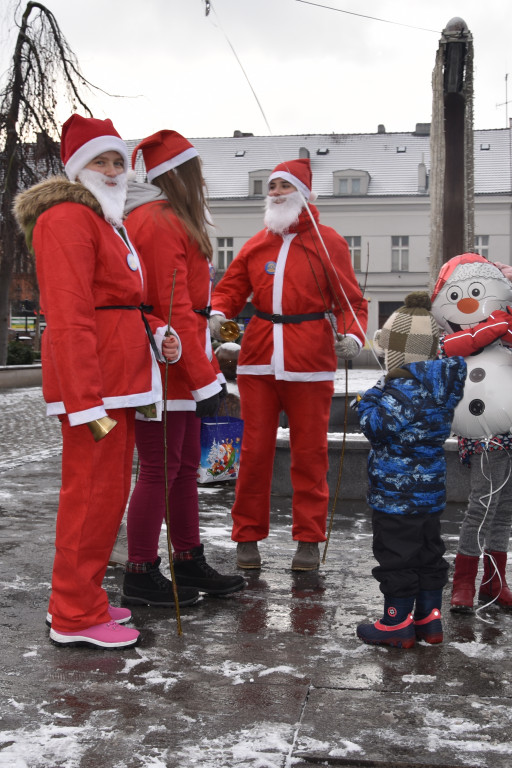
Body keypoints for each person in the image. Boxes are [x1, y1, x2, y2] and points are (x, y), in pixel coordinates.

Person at [13, 115, 180, 649]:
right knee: (89, 497)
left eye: (117, 161)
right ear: (77, 170)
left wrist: (159, 334)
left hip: (121, 379)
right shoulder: (66, 218)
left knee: (105, 496)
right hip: (98, 389)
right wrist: (85, 400)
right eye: (100, 161)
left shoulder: (107, 222)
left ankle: (80, 595)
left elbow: (119, 305)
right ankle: (72, 614)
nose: (112, 170)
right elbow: (69, 315)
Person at [209, 158, 368, 571]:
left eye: (284, 186)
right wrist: (219, 312)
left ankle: (309, 540)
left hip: (309, 359)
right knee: (255, 452)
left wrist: (352, 335)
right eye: (272, 187)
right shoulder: (257, 243)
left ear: (302, 194)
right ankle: (246, 537)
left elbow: (351, 302)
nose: (276, 193)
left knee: (309, 454)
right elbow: (230, 288)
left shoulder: (328, 242)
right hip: (259, 357)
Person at [121, 129, 245, 606]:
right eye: (197, 172)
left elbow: (187, 310)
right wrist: (204, 379)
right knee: (159, 468)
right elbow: (171, 307)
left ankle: (187, 559)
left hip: (181, 360)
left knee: (182, 467)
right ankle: (140, 568)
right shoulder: (156, 221)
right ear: (179, 174)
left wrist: (204, 372)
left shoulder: (169, 218)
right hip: (165, 363)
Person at [356, 292, 466, 648]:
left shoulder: (401, 390)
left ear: (398, 351)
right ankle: (428, 619)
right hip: (429, 495)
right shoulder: (439, 387)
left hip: (396, 498)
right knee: (428, 552)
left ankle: (395, 622)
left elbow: (375, 427)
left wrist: (368, 398)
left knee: (396, 557)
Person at [431, 253, 512, 613]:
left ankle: (494, 582)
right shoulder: (456, 331)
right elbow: (453, 349)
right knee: (482, 505)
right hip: (485, 430)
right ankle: (463, 583)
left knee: (506, 507)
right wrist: (497, 323)